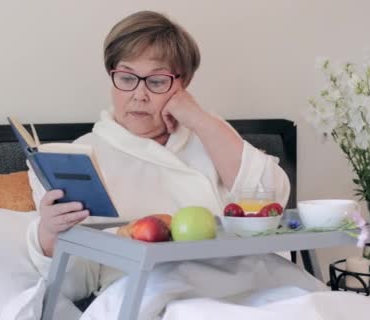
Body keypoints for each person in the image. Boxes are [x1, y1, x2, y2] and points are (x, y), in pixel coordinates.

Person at [26, 10, 324, 317]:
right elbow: (77, 285)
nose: (139, 95)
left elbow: (270, 199)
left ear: (182, 86)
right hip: (150, 292)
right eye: (127, 78)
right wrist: (49, 233)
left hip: (251, 281)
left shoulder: (210, 135)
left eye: (156, 81)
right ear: (112, 76)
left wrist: (199, 119)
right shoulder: (77, 158)